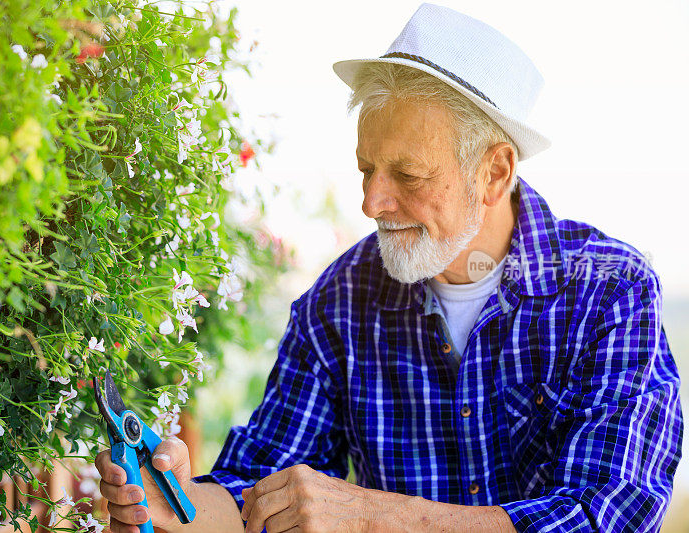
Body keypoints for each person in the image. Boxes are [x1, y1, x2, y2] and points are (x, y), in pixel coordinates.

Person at [94, 3, 683, 532]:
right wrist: (174, 507)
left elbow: (612, 511)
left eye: (408, 175)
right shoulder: (340, 300)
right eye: (365, 169)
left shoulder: (611, 293)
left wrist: (375, 516)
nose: (371, 203)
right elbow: (257, 491)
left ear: (496, 172)